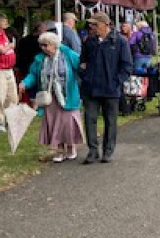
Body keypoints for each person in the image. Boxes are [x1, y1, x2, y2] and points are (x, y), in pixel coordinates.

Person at [18, 32, 83, 162]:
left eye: (45, 45)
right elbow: (33, 74)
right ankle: (59, 150)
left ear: (54, 45)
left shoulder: (68, 54)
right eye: (41, 45)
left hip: (67, 95)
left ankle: (71, 147)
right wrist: (24, 83)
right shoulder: (40, 59)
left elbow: (81, 67)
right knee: (53, 123)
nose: (43, 48)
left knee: (68, 122)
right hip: (49, 97)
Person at [79, 12, 133, 164]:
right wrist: (84, 74)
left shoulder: (119, 41)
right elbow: (82, 61)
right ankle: (93, 150)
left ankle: (108, 151)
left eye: (95, 24)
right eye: (92, 24)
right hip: (91, 88)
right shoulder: (89, 41)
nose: (92, 27)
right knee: (90, 119)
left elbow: (127, 65)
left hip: (111, 88)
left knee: (110, 121)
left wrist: (117, 81)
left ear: (106, 25)